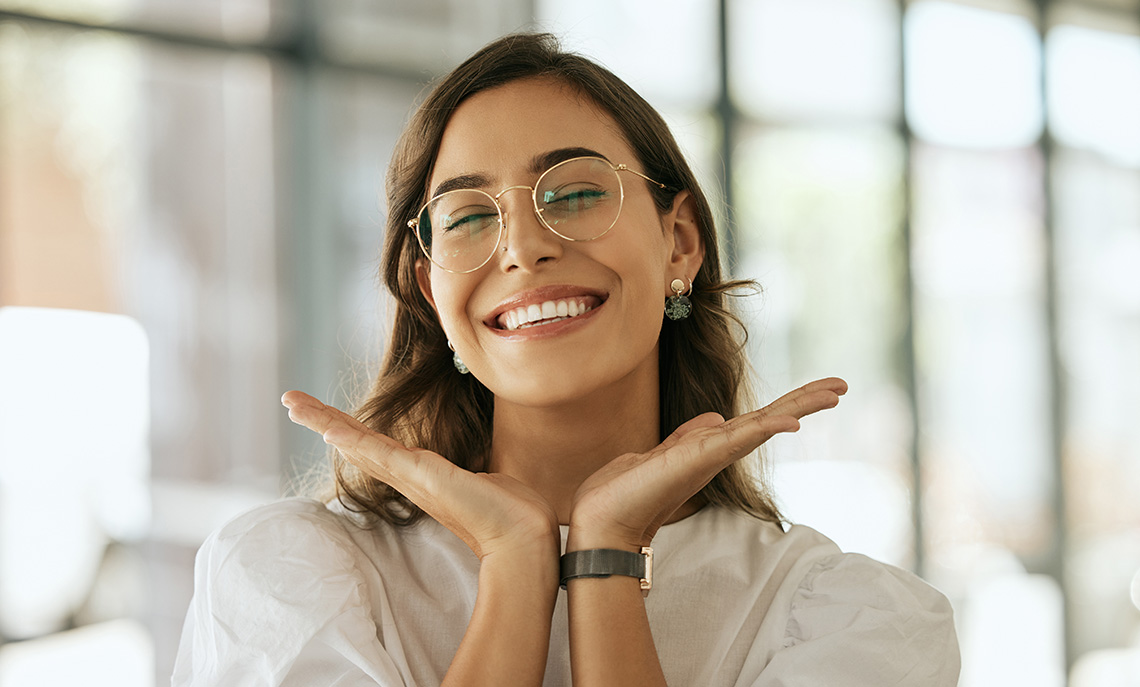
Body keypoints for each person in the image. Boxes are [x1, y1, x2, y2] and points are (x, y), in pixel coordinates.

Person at [172, 32, 960, 687]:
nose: (522, 247)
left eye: (576, 194)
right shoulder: (285, 579)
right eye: (469, 215)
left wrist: (606, 556)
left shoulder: (849, 618)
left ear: (678, 242)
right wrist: (516, 565)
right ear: (429, 291)